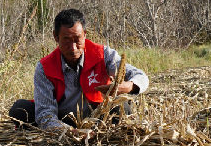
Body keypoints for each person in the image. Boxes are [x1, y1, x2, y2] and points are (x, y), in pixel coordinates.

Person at [9, 8, 148, 131]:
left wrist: (127, 87)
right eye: (66, 40)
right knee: (20, 110)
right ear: (56, 37)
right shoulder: (45, 67)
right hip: (62, 119)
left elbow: (140, 76)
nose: (73, 47)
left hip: (96, 117)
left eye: (77, 39)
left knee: (122, 107)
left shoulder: (103, 55)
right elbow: (45, 114)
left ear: (85, 34)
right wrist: (71, 132)